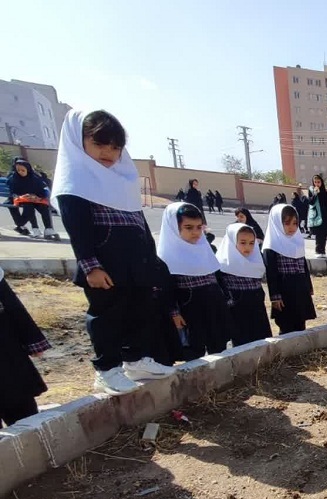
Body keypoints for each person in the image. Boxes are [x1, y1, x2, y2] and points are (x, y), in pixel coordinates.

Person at [53, 109, 176, 395]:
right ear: (79, 141)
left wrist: (152, 262)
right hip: (105, 269)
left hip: (136, 265)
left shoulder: (123, 181)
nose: (108, 152)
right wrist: (90, 266)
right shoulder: (76, 185)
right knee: (107, 316)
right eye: (99, 144)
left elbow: (140, 225)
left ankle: (136, 359)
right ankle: (107, 370)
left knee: (140, 311)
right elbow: (78, 231)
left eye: (115, 146)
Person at [157, 203, 229, 359]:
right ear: (174, 227)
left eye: (199, 227)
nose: (195, 233)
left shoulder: (204, 248)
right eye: (188, 227)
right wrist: (174, 314)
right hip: (190, 310)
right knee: (194, 348)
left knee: (218, 344)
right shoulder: (166, 257)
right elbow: (167, 290)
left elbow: (217, 276)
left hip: (214, 305)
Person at [0, 265, 51, 426]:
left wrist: (32, 340)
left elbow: (10, 302)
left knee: (21, 408)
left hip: (5, 350)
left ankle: (33, 446)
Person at [216, 222, 271, 346]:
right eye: (242, 242)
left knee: (260, 341)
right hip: (236, 311)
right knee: (240, 343)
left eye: (252, 243)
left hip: (256, 310)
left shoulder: (256, 261)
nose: (248, 247)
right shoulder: (223, 264)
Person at [263, 204, 315, 334]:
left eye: (295, 223)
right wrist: (275, 297)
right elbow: (271, 274)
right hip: (284, 291)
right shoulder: (271, 246)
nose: (292, 227)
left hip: (300, 288)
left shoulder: (298, 241)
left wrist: (308, 287)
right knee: (286, 324)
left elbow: (303, 266)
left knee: (300, 321)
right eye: (287, 223)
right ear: (277, 223)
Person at [6, 159, 59, 239]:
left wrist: (36, 197)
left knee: (44, 208)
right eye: (18, 170)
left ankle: (48, 229)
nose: (20, 172)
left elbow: (41, 190)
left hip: (36, 199)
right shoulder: (15, 178)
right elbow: (13, 192)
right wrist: (22, 196)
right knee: (29, 208)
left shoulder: (34, 178)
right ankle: (31, 227)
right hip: (22, 200)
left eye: (23, 170)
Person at [307, 174, 327, 257]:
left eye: (318, 182)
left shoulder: (325, 192)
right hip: (316, 216)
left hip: (325, 216)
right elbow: (310, 202)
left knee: (324, 234)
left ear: (321, 182)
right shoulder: (311, 190)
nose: (317, 184)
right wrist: (315, 194)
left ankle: (322, 251)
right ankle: (318, 251)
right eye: (315, 182)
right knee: (319, 234)